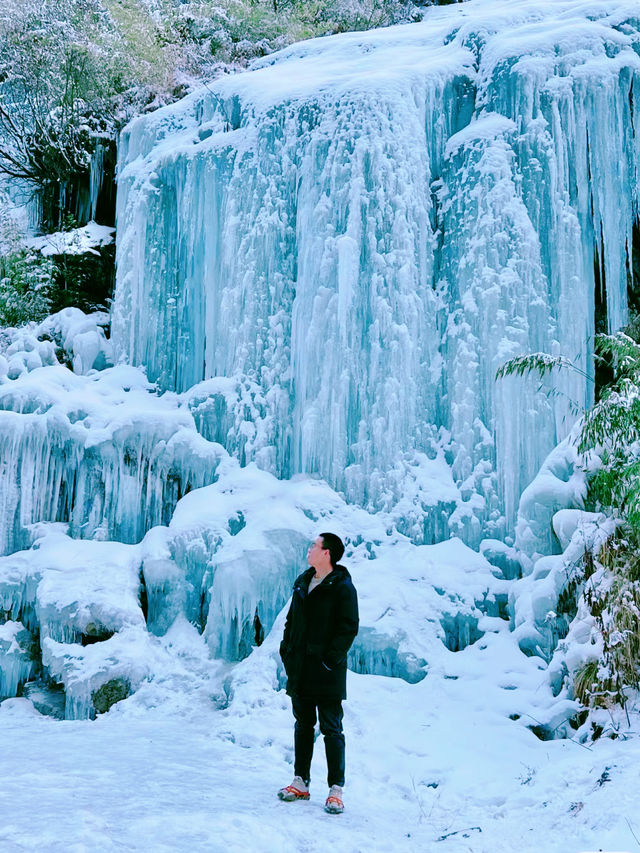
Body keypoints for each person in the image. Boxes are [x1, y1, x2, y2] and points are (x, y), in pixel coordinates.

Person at [277, 532, 359, 815]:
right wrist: (286, 650)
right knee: (302, 724)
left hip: (327, 672)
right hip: (300, 668)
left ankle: (336, 789)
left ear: (326, 553)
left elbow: (348, 627)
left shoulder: (342, 587)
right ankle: (300, 782)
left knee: (331, 728)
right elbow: (291, 620)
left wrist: (329, 660)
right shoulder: (303, 582)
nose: (310, 549)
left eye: (314, 545)